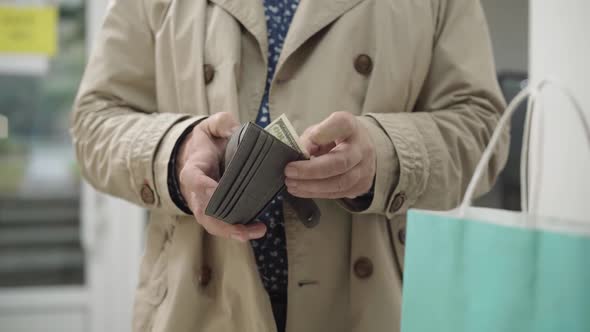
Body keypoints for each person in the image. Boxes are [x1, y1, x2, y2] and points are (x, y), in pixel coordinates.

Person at [71, 0, 508, 331]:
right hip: (195, 305)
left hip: (372, 305)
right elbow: (94, 123)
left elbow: (483, 129)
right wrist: (177, 149)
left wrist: (385, 153)